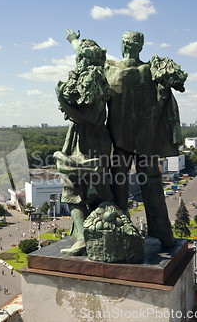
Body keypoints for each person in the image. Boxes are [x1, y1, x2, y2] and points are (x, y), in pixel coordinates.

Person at [105, 30, 187, 248]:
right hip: (146, 140)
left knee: (118, 186)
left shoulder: (109, 69)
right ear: (140, 47)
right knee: (152, 185)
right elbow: (162, 101)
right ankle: (163, 235)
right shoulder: (152, 70)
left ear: (123, 46)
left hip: (118, 139)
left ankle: (120, 235)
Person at [54, 30, 113, 255]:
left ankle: (92, 236)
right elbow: (80, 51)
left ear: (87, 61)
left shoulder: (94, 80)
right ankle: (83, 236)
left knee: (85, 187)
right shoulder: (89, 71)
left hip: (91, 138)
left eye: (81, 58)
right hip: (80, 137)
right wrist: (73, 40)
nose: (77, 61)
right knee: (73, 187)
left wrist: (63, 102)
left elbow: (92, 118)